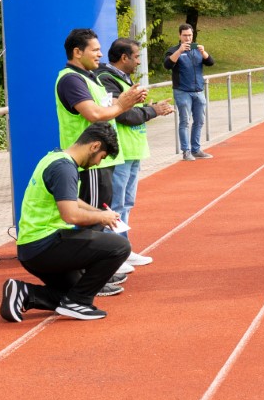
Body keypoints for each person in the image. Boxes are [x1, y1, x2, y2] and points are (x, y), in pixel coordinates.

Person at [1, 123, 131, 323]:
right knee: (120, 246)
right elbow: (71, 215)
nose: (98, 163)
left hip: (32, 247)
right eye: (102, 157)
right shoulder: (64, 168)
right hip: (45, 244)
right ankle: (79, 303)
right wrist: (102, 218)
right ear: (95, 146)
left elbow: (70, 198)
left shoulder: (55, 157)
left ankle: (25, 292)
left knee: (71, 292)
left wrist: (99, 212)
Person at [56, 28, 146, 282]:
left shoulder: (89, 77)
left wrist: (124, 101)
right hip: (88, 161)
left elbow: (104, 109)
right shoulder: (71, 79)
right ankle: (90, 277)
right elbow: (94, 114)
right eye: (95, 50)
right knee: (92, 220)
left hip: (100, 159)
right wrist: (123, 104)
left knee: (101, 215)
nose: (99, 55)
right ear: (77, 52)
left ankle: (101, 269)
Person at [96, 38, 174, 265]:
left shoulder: (122, 78)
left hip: (133, 149)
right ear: (124, 57)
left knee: (126, 203)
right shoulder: (106, 79)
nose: (139, 61)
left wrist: (150, 108)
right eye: (137, 57)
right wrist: (153, 111)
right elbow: (122, 114)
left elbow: (131, 109)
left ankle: (123, 249)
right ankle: (114, 253)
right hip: (119, 151)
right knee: (116, 205)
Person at [166, 23, 214, 160]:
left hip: (198, 90)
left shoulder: (197, 49)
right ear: (179, 35)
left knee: (199, 121)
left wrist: (203, 52)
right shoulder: (173, 50)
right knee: (185, 122)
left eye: (190, 35)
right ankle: (186, 151)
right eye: (185, 35)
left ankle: (196, 149)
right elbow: (167, 65)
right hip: (182, 91)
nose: (187, 38)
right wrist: (179, 51)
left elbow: (211, 62)